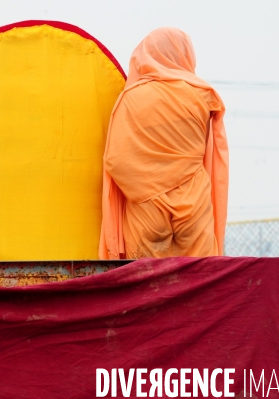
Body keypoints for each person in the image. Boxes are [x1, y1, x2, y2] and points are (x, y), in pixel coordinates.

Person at [99, 27, 229, 260]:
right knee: (201, 279)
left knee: (146, 285)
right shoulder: (202, 95)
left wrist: (146, 191)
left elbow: (115, 160)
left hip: (146, 208)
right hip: (194, 203)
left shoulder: (131, 98)